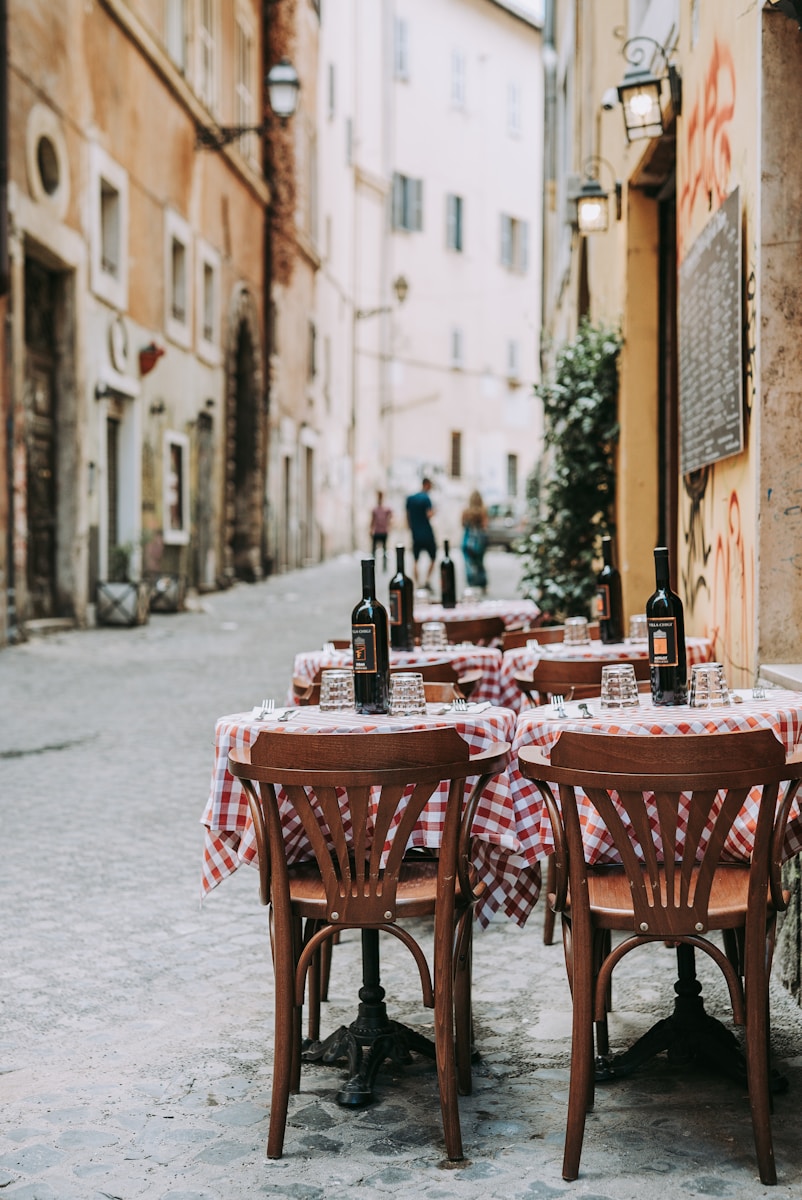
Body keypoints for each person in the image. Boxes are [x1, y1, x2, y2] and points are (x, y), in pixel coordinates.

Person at [405, 477, 437, 588]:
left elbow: (407, 516)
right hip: (427, 533)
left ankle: (418, 584)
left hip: (415, 533)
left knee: (415, 559)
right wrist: (434, 511)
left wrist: (411, 528)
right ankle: (427, 580)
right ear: (427, 485)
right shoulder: (426, 498)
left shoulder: (410, 498)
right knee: (433, 557)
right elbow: (429, 514)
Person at [461, 489, 489, 593]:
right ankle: (483, 585)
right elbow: (485, 525)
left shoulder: (466, 511)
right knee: (480, 563)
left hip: (468, 540)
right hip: (479, 541)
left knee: (468, 563)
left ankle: (470, 585)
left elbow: (463, 524)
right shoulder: (483, 511)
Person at [369, 490, 393, 569]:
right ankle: (372, 566)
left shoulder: (386, 509)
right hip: (377, 531)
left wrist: (389, 526)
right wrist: (371, 529)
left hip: (384, 531)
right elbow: (372, 520)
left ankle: (384, 566)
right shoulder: (375, 509)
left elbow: (391, 517)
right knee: (374, 550)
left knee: (384, 549)